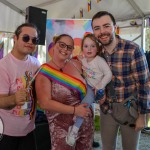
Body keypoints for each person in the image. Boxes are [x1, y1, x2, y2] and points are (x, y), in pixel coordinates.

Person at [91, 11, 150, 150]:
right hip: (107, 109)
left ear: (115, 27)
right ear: (93, 31)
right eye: (97, 28)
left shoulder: (133, 49)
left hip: (130, 109)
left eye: (106, 26)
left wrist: (143, 115)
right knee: (107, 147)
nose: (102, 31)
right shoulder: (96, 53)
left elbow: (144, 84)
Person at [35, 34, 94, 150]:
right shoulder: (44, 71)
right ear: (54, 45)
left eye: (69, 47)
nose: (65, 49)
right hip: (62, 130)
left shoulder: (76, 64)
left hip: (85, 125)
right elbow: (44, 103)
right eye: (62, 45)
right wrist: (75, 110)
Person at [66, 33, 112, 146]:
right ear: (82, 49)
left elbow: (109, 74)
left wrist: (101, 85)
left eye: (92, 46)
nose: (89, 49)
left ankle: (74, 130)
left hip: (95, 89)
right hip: (86, 86)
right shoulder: (83, 59)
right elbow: (75, 62)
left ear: (98, 48)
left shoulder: (99, 61)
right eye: (86, 46)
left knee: (84, 106)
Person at [0, 23, 40, 150]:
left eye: (34, 40)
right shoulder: (3, 66)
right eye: (26, 38)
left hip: (29, 129)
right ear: (15, 38)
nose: (30, 42)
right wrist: (13, 99)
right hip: (7, 132)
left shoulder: (35, 63)